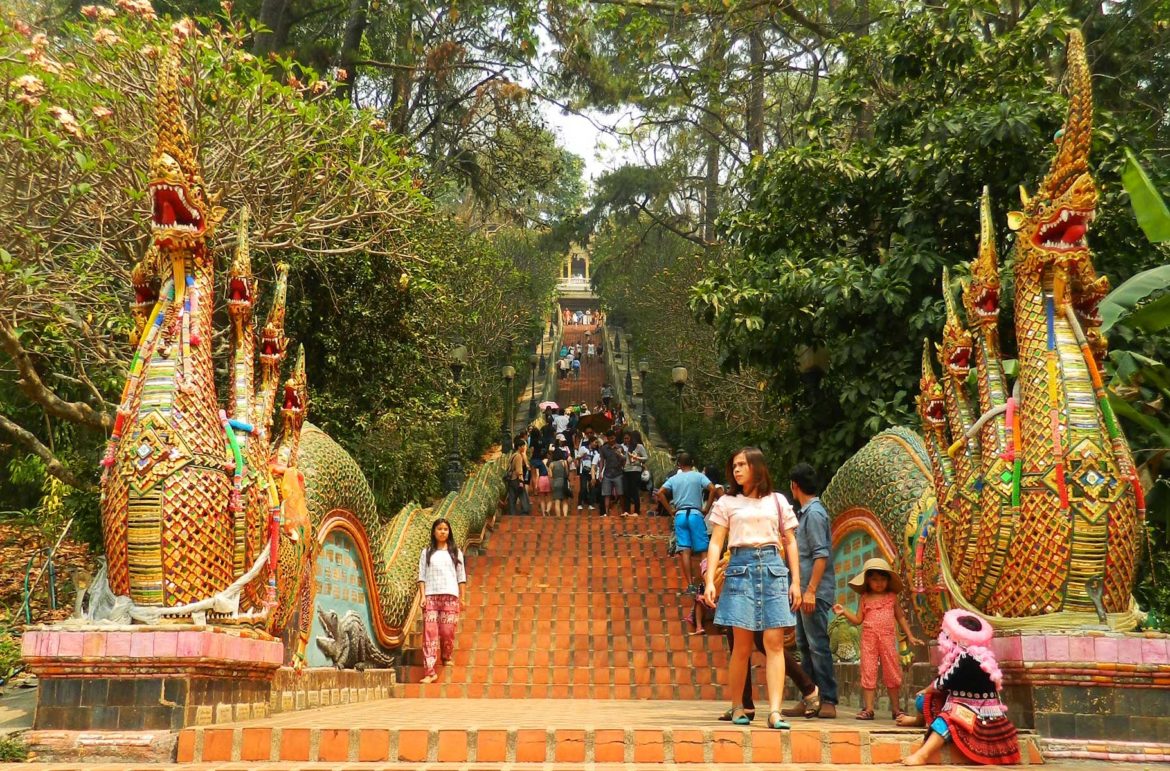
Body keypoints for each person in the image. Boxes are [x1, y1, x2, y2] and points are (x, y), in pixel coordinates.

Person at [702, 447, 802, 730]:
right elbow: (715, 542)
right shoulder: (727, 502)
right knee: (742, 647)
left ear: (757, 467)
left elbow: (791, 541)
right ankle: (738, 707)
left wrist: (796, 581)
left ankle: (774, 711)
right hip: (740, 569)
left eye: (742, 465)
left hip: (773, 568)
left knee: (774, 644)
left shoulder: (778, 501)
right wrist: (710, 580)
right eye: (734, 465)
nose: (736, 470)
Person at [900, 610, 1019, 766]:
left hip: (979, 714)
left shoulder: (966, 658)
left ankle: (922, 755)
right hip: (962, 702)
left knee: (946, 719)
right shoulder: (970, 655)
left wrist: (926, 689)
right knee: (923, 701)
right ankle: (918, 721)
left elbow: (942, 683)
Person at [781, 463, 840, 719]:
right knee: (804, 645)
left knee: (817, 645)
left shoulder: (814, 514)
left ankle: (828, 699)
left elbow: (821, 555)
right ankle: (810, 697)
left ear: (794, 485)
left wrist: (811, 590)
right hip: (803, 590)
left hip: (813, 591)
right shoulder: (804, 514)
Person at [833, 557, 922, 720]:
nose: (879, 583)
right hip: (868, 639)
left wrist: (910, 636)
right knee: (868, 670)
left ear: (888, 580)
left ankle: (896, 709)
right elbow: (858, 620)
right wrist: (844, 611)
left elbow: (901, 617)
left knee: (892, 671)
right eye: (874, 579)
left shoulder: (892, 597)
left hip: (888, 639)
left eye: (882, 579)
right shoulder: (865, 598)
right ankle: (868, 709)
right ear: (867, 581)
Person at [416, 518, 466, 683]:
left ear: (449, 532)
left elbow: (461, 576)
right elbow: (421, 576)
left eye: (445, 529)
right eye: (439, 529)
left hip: (450, 596)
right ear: (434, 532)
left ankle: (446, 655)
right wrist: (423, 595)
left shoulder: (455, 552)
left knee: (447, 631)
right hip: (431, 596)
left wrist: (462, 598)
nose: (443, 531)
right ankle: (430, 672)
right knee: (429, 634)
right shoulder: (427, 552)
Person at [656, 452, 714, 594]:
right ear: (692, 463)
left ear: (679, 464)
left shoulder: (674, 479)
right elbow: (712, 488)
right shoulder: (699, 476)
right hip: (695, 514)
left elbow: (660, 493)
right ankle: (707, 581)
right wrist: (706, 508)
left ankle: (690, 585)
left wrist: (670, 510)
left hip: (680, 515)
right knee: (703, 550)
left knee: (684, 550)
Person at [597, 430, 627, 517]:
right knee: (607, 494)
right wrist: (600, 472)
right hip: (607, 473)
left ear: (615, 437)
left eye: (613, 438)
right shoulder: (603, 448)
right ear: (607, 438)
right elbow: (602, 461)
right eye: (610, 438)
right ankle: (606, 512)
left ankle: (623, 511)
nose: (611, 440)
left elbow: (624, 460)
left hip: (618, 473)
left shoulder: (620, 447)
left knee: (621, 494)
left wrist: (620, 454)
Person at [621, 431, 648, 517]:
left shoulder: (639, 447)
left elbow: (645, 457)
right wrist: (620, 455)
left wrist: (637, 458)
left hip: (635, 470)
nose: (627, 440)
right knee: (626, 490)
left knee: (634, 490)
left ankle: (636, 511)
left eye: (629, 438)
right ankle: (626, 510)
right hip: (626, 470)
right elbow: (626, 458)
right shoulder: (626, 447)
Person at [506, 436, 531, 516]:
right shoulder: (519, 456)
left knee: (512, 498)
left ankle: (512, 513)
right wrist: (521, 480)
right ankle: (525, 511)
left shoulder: (513, 455)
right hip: (517, 479)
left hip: (511, 479)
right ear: (519, 447)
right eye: (523, 446)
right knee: (523, 495)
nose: (524, 447)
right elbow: (519, 470)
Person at [575, 437, 598, 511]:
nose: (596, 444)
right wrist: (582, 456)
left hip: (591, 472)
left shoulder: (596, 452)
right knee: (583, 488)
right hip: (583, 471)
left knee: (592, 487)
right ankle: (579, 504)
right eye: (595, 442)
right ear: (591, 442)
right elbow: (577, 458)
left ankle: (591, 504)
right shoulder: (583, 448)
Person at [548, 447, 571, 517]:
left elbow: (550, 476)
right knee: (565, 500)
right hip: (563, 482)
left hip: (555, 482)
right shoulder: (564, 462)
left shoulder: (551, 464)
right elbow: (567, 473)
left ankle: (558, 517)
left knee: (557, 501)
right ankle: (565, 516)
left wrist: (552, 485)